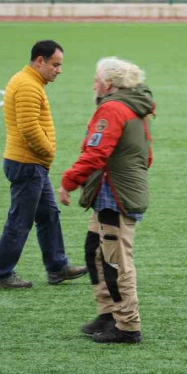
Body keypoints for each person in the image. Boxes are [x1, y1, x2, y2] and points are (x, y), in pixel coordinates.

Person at [58, 57, 155, 344]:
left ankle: (127, 325)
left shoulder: (113, 109)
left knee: (115, 261)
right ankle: (108, 314)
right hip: (110, 191)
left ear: (109, 83)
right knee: (95, 252)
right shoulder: (133, 107)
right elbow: (145, 155)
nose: (94, 85)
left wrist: (69, 181)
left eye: (97, 80)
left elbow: (96, 153)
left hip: (115, 196)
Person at [0, 40, 87, 289]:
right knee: (20, 220)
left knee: (48, 215)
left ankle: (57, 267)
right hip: (27, 163)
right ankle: (1, 274)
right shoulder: (28, 86)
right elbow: (29, 127)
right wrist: (49, 150)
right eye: (55, 64)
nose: (59, 70)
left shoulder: (28, 81)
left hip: (31, 164)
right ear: (40, 60)